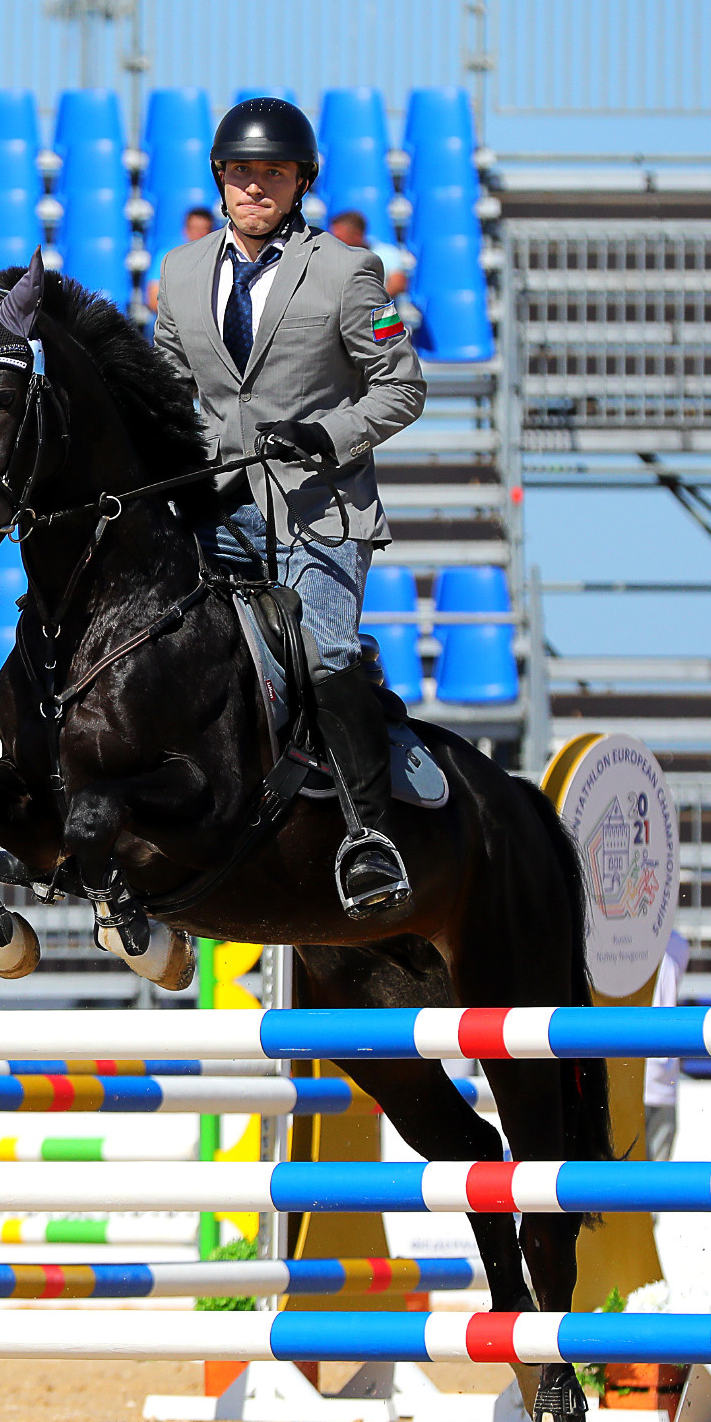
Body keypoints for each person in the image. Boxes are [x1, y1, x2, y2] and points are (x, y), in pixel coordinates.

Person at [150, 97, 427, 920]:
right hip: (219, 502)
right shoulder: (181, 271)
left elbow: (402, 386)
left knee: (320, 650)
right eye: (239, 172)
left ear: (300, 180)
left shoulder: (347, 272)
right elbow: (167, 384)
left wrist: (327, 434)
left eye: (270, 173)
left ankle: (368, 834)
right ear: (219, 179)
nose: (252, 186)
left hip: (318, 505)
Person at [144, 203, 216, 314]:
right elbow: (153, 300)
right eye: (195, 229)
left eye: (204, 230)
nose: (199, 235)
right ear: (185, 230)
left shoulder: (219, 259)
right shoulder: (167, 258)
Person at [326, 210, 413, 300]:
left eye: (339, 238)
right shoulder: (330, 258)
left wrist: (373, 302)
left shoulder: (387, 253)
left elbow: (398, 284)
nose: (334, 242)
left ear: (357, 235)